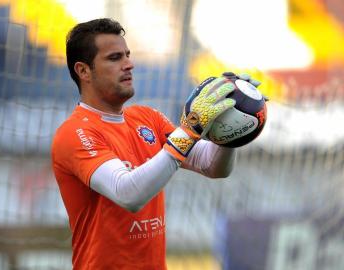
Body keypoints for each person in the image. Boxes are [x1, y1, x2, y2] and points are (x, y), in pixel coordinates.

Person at [51, 18, 250, 269]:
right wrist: (190, 130)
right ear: (83, 71)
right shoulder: (74, 132)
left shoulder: (147, 118)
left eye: (127, 55)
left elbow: (212, 165)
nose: (129, 64)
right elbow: (128, 194)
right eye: (115, 58)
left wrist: (230, 128)